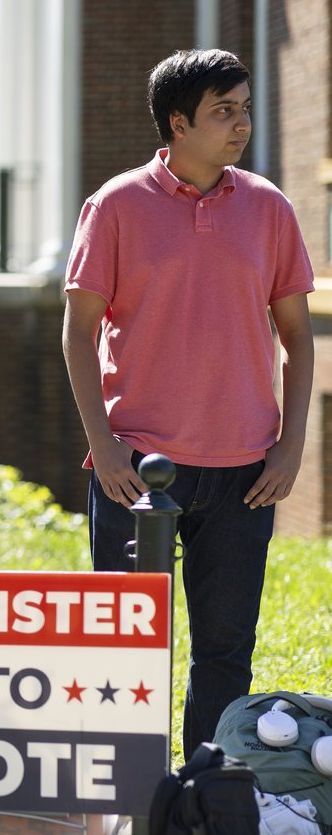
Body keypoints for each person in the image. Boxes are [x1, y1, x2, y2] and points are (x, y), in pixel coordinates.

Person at [62, 48, 314, 763]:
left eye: (243, 108)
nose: (242, 124)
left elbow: (296, 334)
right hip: (139, 468)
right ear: (178, 122)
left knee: (226, 653)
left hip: (246, 470)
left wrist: (291, 445)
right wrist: (105, 445)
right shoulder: (114, 206)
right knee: (122, 647)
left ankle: (203, 809)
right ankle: (125, 805)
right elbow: (78, 332)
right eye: (222, 112)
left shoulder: (269, 208)